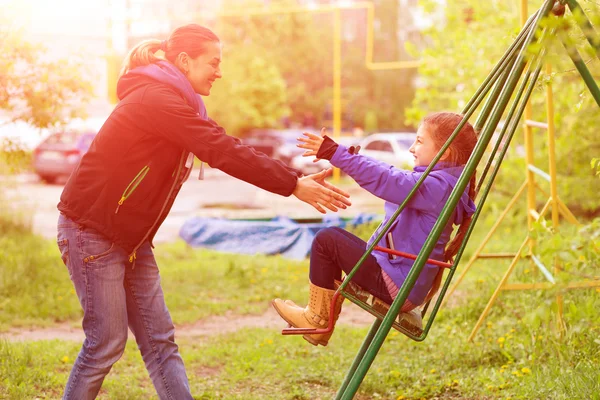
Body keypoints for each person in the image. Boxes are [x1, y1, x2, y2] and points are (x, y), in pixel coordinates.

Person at [55, 24, 351, 399]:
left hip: (130, 239)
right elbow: (219, 149)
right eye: (213, 62)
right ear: (184, 61)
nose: (219, 71)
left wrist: (291, 180)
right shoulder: (155, 101)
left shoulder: (178, 102)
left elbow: (224, 143)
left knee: (161, 341)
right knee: (106, 343)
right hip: (91, 231)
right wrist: (292, 184)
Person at [272, 112, 478, 346]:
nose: (412, 148)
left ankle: (316, 319)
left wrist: (335, 154)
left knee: (327, 240)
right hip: (400, 277)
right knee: (334, 238)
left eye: (419, 141)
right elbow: (389, 174)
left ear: (446, 152)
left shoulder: (438, 188)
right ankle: (317, 315)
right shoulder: (441, 183)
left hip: (397, 283)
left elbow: (388, 180)